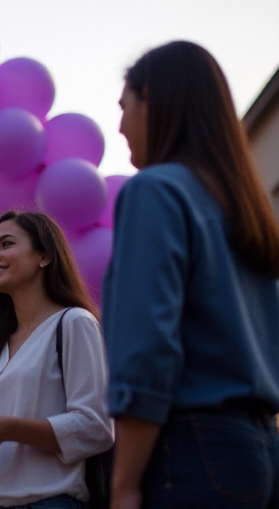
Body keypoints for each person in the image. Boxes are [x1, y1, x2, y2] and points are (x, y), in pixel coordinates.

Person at [106, 41, 279, 509]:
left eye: (126, 106)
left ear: (155, 102)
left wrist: (123, 482)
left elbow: (148, 348)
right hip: (260, 447)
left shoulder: (154, 190)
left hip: (188, 449)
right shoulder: (244, 208)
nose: (120, 125)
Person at [0, 211, 113, 509]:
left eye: (6, 244)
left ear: (44, 256)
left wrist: (6, 428)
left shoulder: (74, 323)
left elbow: (95, 427)